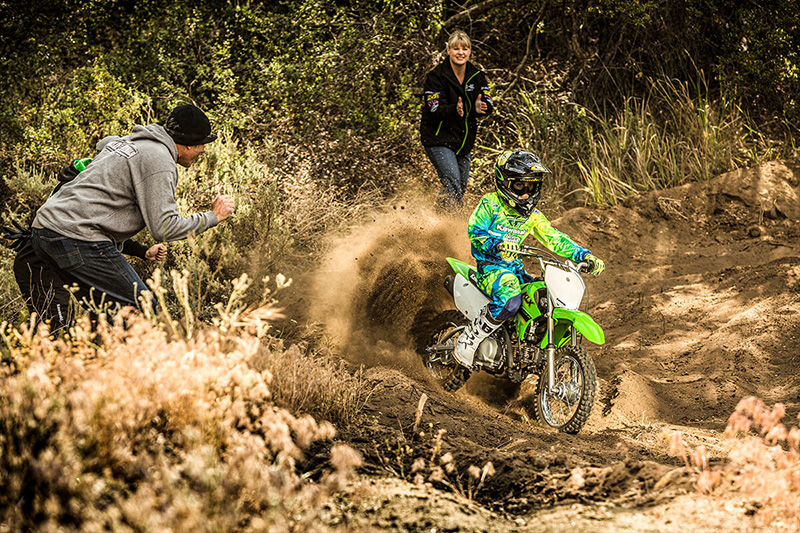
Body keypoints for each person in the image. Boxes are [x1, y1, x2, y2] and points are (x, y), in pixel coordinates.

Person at [27, 104, 235, 323]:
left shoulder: (130, 141)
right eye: (202, 144)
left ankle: (96, 354)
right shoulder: (160, 160)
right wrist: (213, 216)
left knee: (107, 312)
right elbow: (165, 228)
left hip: (45, 231)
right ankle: (129, 356)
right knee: (141, 309)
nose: (203, 150)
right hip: (75, 237)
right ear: (189, 144)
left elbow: (103, 144)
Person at [453, 150, 605, 368]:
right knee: (510, 299)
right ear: (505, 182)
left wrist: (584, 255)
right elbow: (475, 231)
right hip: (491, 268)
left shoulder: (533, 216)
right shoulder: (491, 203)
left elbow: (555, 238)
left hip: (515, 270)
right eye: (519, 186)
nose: (525, 193)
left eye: (531, 186)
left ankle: (526, 348)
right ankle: (468, 340)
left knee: (544, 295)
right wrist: (495, 244)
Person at [3, 158, 168, 335]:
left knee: (98, 310)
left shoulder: (95, 182)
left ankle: (92, 354)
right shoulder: (87, 183)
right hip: (39, 265)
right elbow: (81, 233)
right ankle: (39, 358)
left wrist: (142, 251)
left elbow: (96, 235)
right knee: (56, 323)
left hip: (61, 260)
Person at [420, 30, 494, 210]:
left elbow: (487, 102)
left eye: (465, 48)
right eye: (456, 49)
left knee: (458, 187)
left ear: (470, 52)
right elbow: (434, 108)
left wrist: (482, 108)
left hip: (463, 141)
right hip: (438, 139)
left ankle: (435, 221)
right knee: (453, 185)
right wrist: (456, 109)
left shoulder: (477, 75)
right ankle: (453, 228)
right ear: (448, 51)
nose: (460, 52)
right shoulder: (435, 76)